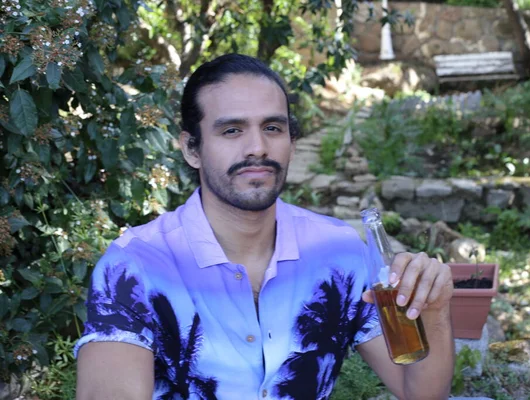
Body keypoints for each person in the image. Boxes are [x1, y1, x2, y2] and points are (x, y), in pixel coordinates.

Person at [75, 53, 455, 400]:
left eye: (273, 128)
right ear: (192, 148)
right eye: (232, 131)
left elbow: (417, 392)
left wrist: (434, 314)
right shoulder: (136, 267)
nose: (257, 147)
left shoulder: (339, 252)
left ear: (291, 139)